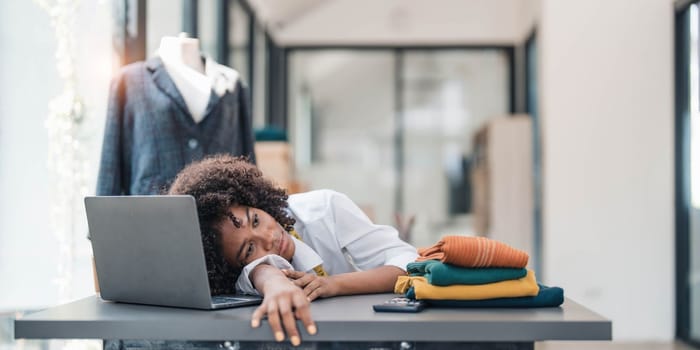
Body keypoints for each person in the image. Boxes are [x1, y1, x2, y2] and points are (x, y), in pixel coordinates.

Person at [167, 154, 418, 346]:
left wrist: (333, 285)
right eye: (249, 249)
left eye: (255, 219)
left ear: (254, 200)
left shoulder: (324, 209)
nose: (270, 237)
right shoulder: (242, 276)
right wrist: (271, 278)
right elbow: (256, 273)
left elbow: (410, 263)